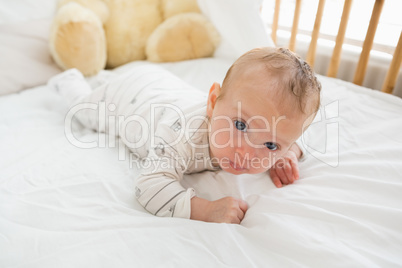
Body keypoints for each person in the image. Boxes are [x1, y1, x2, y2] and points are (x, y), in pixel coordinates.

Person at [49, 47, 321, 224]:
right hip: (125, 98)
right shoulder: (181, 135)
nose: (247, 154)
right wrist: (203, 209)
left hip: (159, 83)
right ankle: (70, 80)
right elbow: (149, 185)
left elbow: (292, 134)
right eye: (240, 126)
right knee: (82, 109)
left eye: (271, 144)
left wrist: (289, 153)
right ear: (212, 103)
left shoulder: (264, 127)